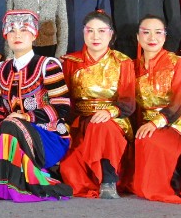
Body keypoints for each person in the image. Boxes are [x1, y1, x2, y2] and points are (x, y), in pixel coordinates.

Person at [0, 9, 75, 203]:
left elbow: (62, 107)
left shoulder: (48, 65)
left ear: (34, 34)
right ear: (5, 36)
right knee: (9, 124)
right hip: (10, 134)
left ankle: (14, 177)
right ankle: (14, 177)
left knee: (12, 124)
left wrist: (26, 117)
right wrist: (3, 125)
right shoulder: (1, 69)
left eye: (24, 30)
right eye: (11, 31)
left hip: (48, 137)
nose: (17, 35)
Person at [58, 11, 137, 198]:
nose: (95, 36)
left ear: (111, 34)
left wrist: (109, 112)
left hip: (113, 120)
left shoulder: (123, 62)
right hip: (80, 121)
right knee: (71, 173)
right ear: (83, 33)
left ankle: (108, 180)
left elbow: (128, 101)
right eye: (90, 31)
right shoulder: (70, 61)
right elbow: (64, 98)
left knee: (101, 126)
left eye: (101, 31)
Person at [128, 16, 181, 204]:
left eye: (158, 32)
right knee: (141, 139)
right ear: (138, 37)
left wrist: (156, 122)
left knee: (152, 140)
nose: (152, 37)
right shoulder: (131, 66)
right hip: (145, 122)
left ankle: (162, 185)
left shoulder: (177, 63)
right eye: (146, 32)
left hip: (174, 121)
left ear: (165, 37)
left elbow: (179, 101)